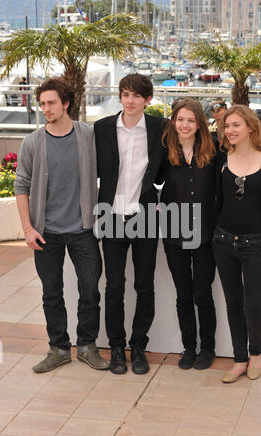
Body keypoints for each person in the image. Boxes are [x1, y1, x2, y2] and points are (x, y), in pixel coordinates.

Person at [15, 77, 109, 373]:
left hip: (83, 229)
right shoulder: (32, 142)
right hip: (46, 233)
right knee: (51, 292)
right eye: (42, 104)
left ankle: (87, 346)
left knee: (90, 290)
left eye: (51, 103)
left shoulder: (88, 136)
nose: (46, 109)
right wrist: (28, 229)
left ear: (66, 103)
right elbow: (22, 186)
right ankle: (58, 348)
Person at [94, 73, 165, 375]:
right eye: (125, 94)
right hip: (111, 215)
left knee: (144, 285)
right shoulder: (102, 128)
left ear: (148, 100)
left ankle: (138, 347)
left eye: (137, 95)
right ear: (120, 97)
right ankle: (116, 347)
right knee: (114, 286)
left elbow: (187, 148)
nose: (130, 100)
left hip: (144, 216)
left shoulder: (161, 128)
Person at [213, 105, 261, 383]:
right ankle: (239, 358)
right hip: (223, 241)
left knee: (254, 305)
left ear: (251, 128)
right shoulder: (219, 157)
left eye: (236, 125)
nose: (229, 130)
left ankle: (256, 354)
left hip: (255, 244)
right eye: (227, 126)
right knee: (233, 303)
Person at [157, 98, 217, 370]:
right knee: (184, 294)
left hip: (206, 233)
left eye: (191, 120)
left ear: (199, 124)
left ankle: (208, 349)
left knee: (202, 293)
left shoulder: (214, 151)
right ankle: (189, 348)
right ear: (173, 121)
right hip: (174, 233)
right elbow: (152, 178)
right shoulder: (164, 151)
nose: (185, 125)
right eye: (180, 119)